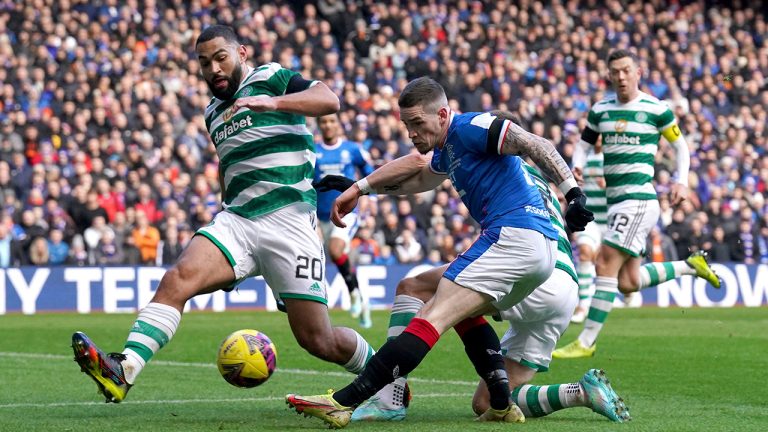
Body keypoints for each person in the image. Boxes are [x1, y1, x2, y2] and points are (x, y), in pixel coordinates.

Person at [71, 25, 376, 404]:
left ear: (242, 53)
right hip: (239, 220)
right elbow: (228, 165)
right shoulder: (213, 113)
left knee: (319, 341)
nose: (213, 68)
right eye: (204, 62)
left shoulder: (271, 78)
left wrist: (273, 103)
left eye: (220, 57)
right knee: (176, 279)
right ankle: (125, 368)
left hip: (290, 225)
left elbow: (328, 100)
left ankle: (383, 375)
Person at [285, 76, 593, 428]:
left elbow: (532, 141)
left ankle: (345, 401)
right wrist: (363, 188)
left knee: (430, 314)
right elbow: (417, 177)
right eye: (407, 125)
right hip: (542, 257)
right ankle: (502, 403)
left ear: (444, 114)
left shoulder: (470, 126)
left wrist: (573, 192)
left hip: (514, 236)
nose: (412, 132)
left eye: (417, 123)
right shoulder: (449, 152)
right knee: (460, 308)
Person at [554, 49, 721, 359]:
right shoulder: (601, 110)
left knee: (604, 261)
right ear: (608, 74)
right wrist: (576, 165)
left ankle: (586, 341)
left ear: (638, 72)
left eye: (626, 70)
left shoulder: (656, 109)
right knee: (628, 282)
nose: (620, 76)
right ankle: (689, 266)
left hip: (639, 200)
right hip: (618, 203)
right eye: (615, 71)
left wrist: (681, 180)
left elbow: (680, 146)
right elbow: (584, 144)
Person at [313, 112, 374, 328]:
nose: (328, 125)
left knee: (336, 250)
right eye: (324, 122)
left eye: (332, 121)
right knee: (331, 257)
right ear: (319, 126)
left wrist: (369, 198)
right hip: (321, 217)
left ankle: (355, 296)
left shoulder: (352, 149)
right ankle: (357, 295)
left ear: (339, 125)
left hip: (348, 212)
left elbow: (369, 172)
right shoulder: (314, 152)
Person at [570, 141, 607, 323]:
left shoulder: (613, 159)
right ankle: (583, 305)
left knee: (605, 264)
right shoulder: (582, 160)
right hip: (590, 218)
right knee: (585, 253)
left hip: (610, 220)